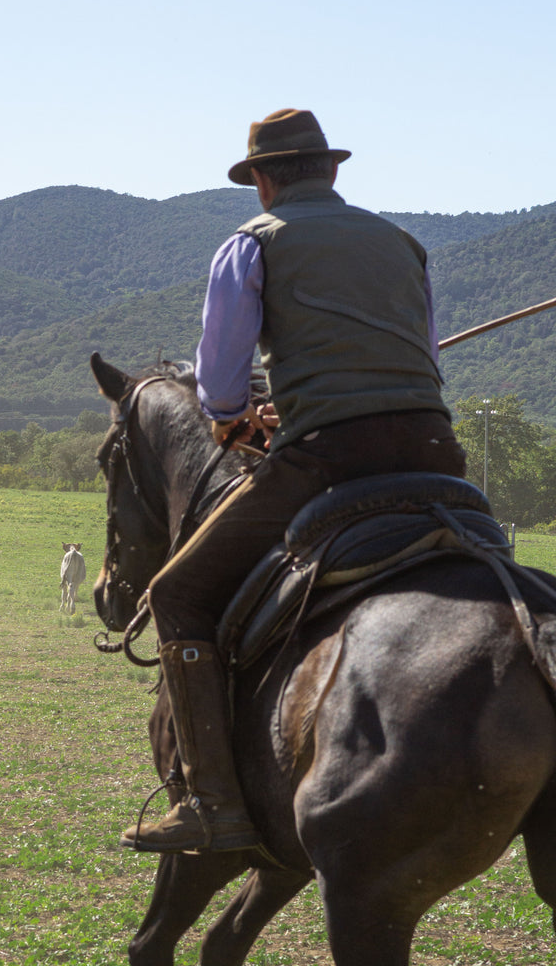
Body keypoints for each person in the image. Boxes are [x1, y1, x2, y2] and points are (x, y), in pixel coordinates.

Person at [122, 108, 467, 854]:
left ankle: (210, 801)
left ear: (263, 180)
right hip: (438, 455)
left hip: (327, 459)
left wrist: (233, 416)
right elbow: (428, 363)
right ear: (333, 171)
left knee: (176, 594)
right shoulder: (402, 243)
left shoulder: (251, 246)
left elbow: (217, 377)